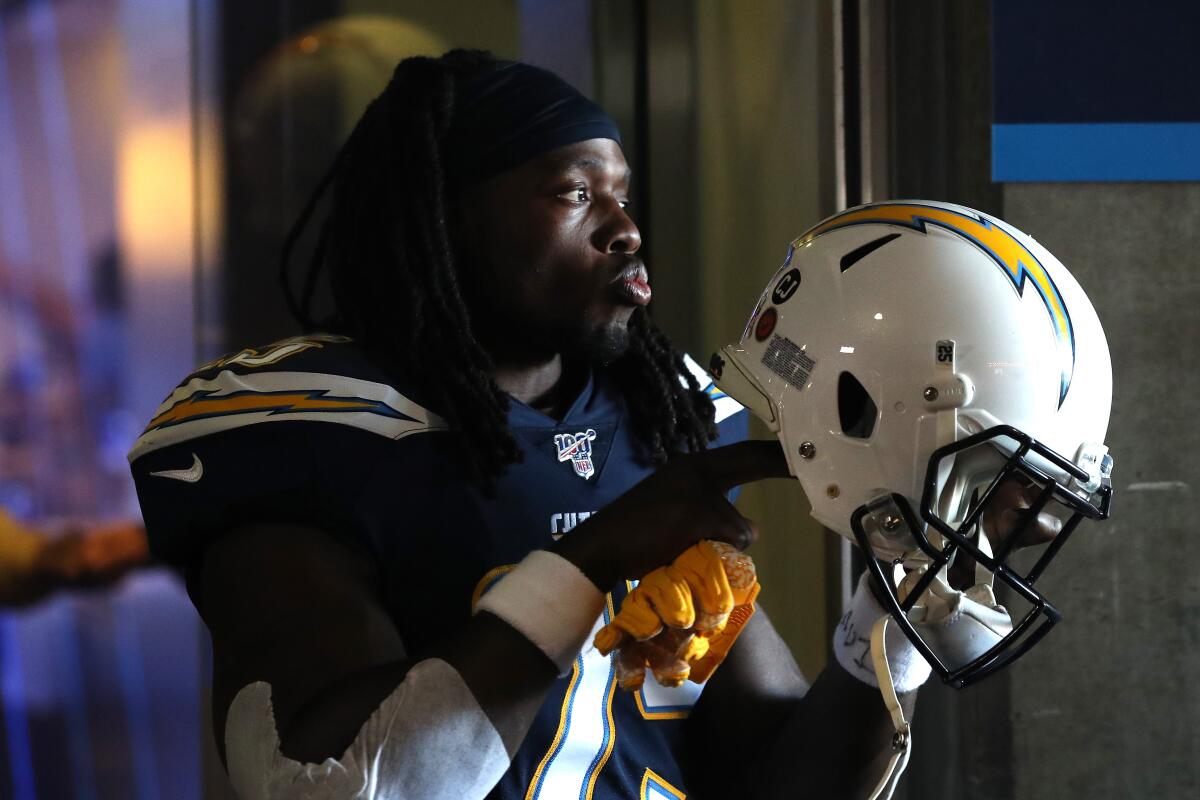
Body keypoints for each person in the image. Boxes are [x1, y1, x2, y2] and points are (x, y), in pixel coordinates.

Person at [128, 52, 1081, 799]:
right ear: (443, 219)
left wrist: (898, 609)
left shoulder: (656, 416)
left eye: (621, 192)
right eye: (574, 193)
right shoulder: (315, 429)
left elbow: (778, 778)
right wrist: (594, 557)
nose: (624, 228)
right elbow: (329, 790)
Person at [0, 507, 148, 607]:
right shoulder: (26, 591)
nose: (92, 560)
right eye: (109, 545)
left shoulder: (27, 594)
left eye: (114, 567)